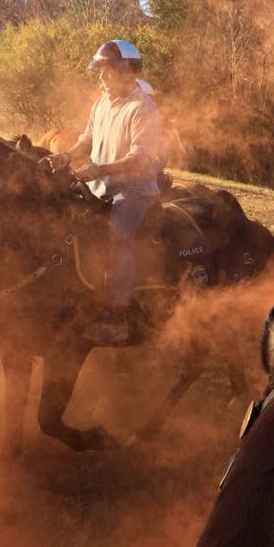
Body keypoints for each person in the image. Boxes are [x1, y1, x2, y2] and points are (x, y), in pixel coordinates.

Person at [46, 40, 167, 344]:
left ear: (126, 71)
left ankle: (116, 318)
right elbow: (86, 141)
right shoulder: (102, 102)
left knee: (116, 234)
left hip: (135, 192)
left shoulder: (142, 107)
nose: (100, 76)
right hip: (101, 188)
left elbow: (141, 159)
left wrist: (99, 170)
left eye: (105, 70)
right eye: (99, 70)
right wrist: (66, 157)